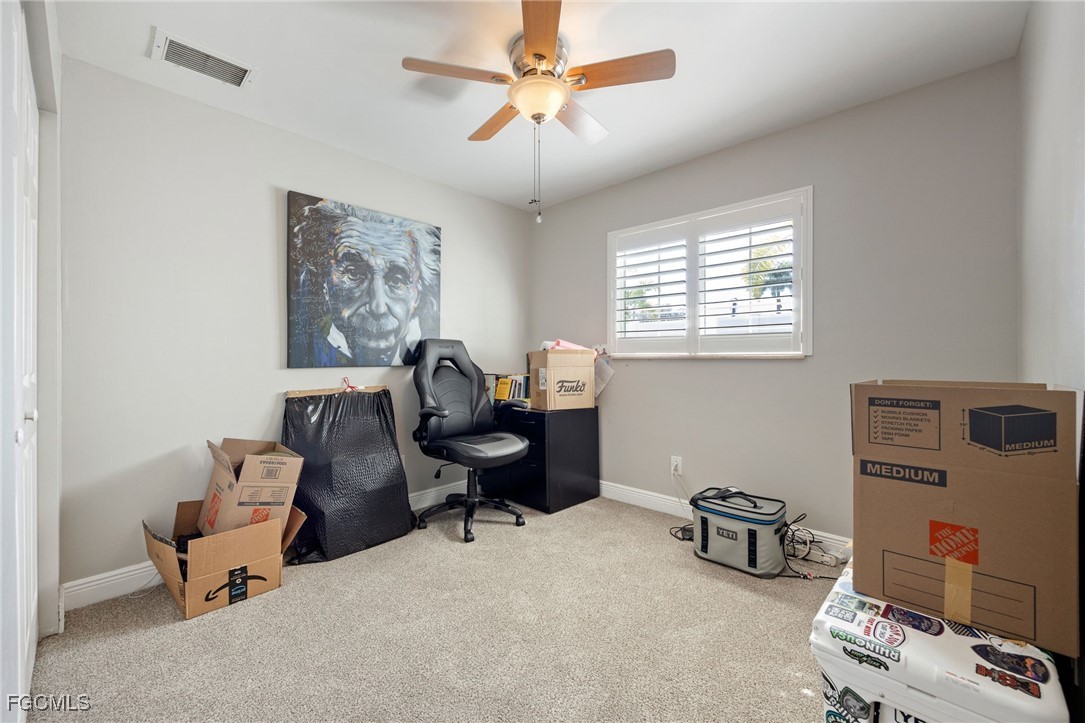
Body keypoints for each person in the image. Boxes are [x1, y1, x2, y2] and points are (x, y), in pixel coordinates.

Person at [289, 197, 440, 367]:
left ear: (417, 294)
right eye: (354, 273)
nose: (378, 307)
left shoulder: (426, 363)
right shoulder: (304, 353)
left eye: (396, 280)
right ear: (325, 282)